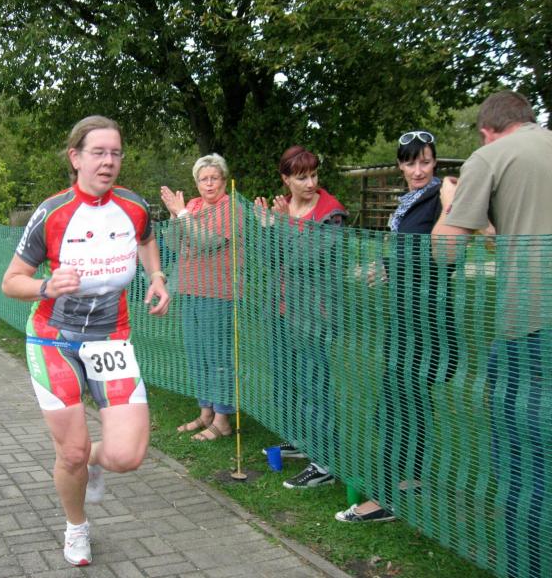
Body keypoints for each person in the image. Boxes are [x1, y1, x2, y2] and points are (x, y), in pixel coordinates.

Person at [1, 116, 170, 567]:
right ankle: (76, 526)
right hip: (53, 340)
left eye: (115, 153)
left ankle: (90, 462)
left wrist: (156, 275)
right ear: (75, 157)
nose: (108, 161)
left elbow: (146, 239)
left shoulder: (134, 206)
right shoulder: (52, 213)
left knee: (127, 455)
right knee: (71, 452)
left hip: (111, 339)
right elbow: (11, 281)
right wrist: (45, 286)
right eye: (98, 153)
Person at [432, 91, 552, 578]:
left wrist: (450, 205)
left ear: (487, 130)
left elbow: (445, 252)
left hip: (532, 327)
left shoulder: (490, 157)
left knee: (526, 462)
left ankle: (527, 566)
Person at [335, 130, 458, 522]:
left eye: (425, 161)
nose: (418, 170)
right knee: (410, 402)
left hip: (427, 322)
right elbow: (412, 251)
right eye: (410, 162)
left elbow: (444, 255)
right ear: (400, 165)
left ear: (435, 162)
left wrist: (451, 203)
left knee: (394, 407)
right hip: (404, 318)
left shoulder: (442, 198)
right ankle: (412, 477)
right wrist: (387, 266)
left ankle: (383, 499)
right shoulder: (410, 204)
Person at [254, 145, 347, 489]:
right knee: (287, 381)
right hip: (282, 310)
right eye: (302, 177)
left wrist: (283, 225)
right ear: (286, 180)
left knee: (314, 384)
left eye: (314, 175)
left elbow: (305, 259)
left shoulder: (331, 213)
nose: (310, 183)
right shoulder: (285, 208)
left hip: (313, 313)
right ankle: (300, 440)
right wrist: (267, 227)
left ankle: (324, 462)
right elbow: (270, 259)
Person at [160, 154, 237, 441]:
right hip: (189, 291)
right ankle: (205, 412)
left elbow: (207, 242)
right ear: (196, 182)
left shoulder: (230, 208)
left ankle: (222, 419)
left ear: (224, 180)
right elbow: (173, 244)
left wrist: (182, 215)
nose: (209, 184)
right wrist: (173, 216)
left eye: (214, 178)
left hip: (218, 293)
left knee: (218, 357)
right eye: (203, 179)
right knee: (197, 356)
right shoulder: (192, 206)